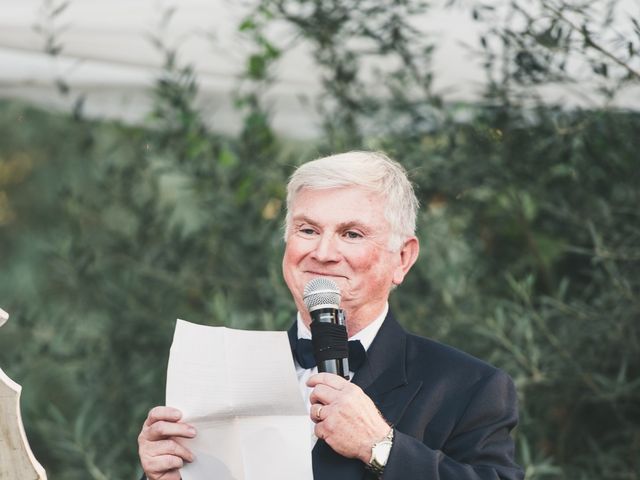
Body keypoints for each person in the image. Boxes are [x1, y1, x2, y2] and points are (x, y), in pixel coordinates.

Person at [137, 151, 524, 480]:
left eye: (351, 234)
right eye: (307, 229)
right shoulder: (222, 370)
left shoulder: (470, 387)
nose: (322, 253)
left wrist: (382, 448)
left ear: (402, 258)